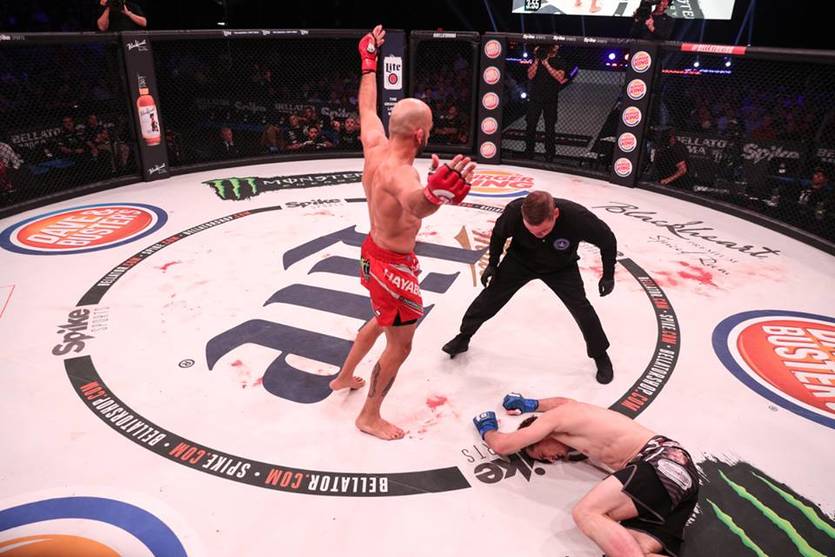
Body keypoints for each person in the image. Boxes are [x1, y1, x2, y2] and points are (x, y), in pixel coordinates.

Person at [327, 25, 476, 440]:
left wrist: (368, 63)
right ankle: (369, 415)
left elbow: (366, 106)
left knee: (381, 320)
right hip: (391, 266)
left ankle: (343, 376)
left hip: (374, 250)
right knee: (400, 345)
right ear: (421, 134)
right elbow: (415, 204)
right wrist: (436, 194)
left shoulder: (375, 144)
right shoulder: (402, 174)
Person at [473, 392, 699, 557]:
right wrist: (530, 403)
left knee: (586, 512)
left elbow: (503, 445)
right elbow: (563, 402)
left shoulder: (553, 420)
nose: (551, 460)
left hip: (661, 460)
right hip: (677, 478)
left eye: (542, 454)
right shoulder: (575, 414)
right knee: (633, 548)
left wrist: (487, 428)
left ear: (538, 435)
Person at [442, 190, 617, 384]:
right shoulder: (514, 212)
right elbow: (499, 234)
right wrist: (492, 263)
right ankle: (464, 336)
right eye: (531, 231)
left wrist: (608, 275)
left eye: (543, 231)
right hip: (520, 260)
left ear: (556, 214)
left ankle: (600, 354)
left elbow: (608, 240)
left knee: (582, 309)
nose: (538, 235)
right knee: (490, 297)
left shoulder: (577, 217)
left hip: (560, 267)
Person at [525, 45, 568, 162]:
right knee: (530, 125)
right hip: (535, 98)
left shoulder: (559, 61)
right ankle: (529, 152)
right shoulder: (538, 59)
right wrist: (537, 59)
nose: (556, 47)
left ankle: (549, 154)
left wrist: (546, 64)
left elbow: (560, 77)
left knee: (550, 127)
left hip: (550, 99)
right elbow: (530, 75)